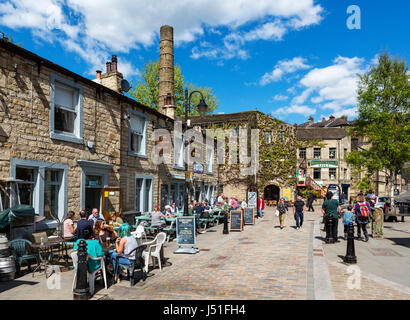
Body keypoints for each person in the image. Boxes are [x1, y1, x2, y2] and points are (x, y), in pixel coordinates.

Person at [73, 226, 104, 296]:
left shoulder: (79, 241)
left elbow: (74, 252)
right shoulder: (95, 242)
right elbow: (100, 254)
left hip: (78, 264)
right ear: (91, 235)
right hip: (92, 265)